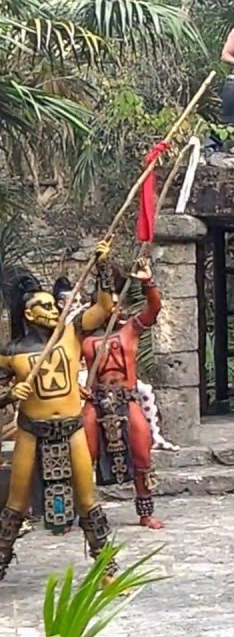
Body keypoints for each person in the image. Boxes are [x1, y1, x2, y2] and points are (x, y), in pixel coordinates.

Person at [0, 240, 118, 582]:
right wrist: (9, 397)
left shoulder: (71, 332)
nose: (54, 311)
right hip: (31, 431)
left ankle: (107, 569)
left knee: (87, 500)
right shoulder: (13, 353)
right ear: (28, 313)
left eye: (55, 305)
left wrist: (102, 267)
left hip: (72, 429)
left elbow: (104, 308)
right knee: (16, 505)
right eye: (45, 307)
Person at [81, 258, 166, 529]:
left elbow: (154, 308)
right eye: (110, 304)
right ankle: (83, 511)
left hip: (126, 399)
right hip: (96, 400)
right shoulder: (83, 338)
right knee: (85, 455)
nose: (116, 309)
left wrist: (146, 281)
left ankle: (145, 512)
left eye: (119, 304)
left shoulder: (131, 330)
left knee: (142, 454)